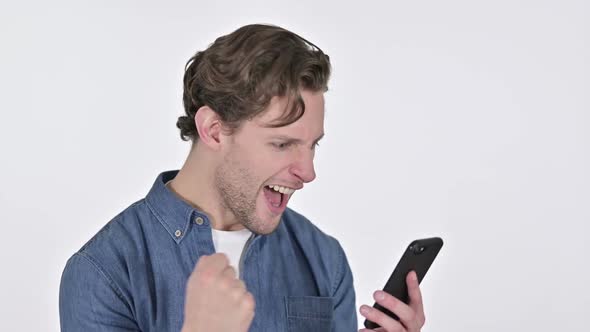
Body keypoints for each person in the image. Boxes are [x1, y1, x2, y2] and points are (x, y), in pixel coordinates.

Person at [59, 24, 426, 332]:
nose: (308, 172)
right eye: (282, 144)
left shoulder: (323, 258)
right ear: (214, 130)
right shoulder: (103, 273)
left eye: (312, 145)